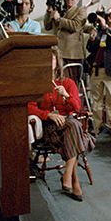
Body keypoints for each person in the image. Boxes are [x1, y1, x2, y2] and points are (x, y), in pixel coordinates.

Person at [28, 46, 95, 202]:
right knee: (76, 129)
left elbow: (76, 107)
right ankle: (73, 181)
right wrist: (48, 114)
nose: (48, 62)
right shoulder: (37, 83)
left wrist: (66, 95)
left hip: (67, 125)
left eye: (51, 59)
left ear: (56, 62)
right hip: (50, 127)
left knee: (73, 125)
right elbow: (29, 106)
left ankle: (68, 176)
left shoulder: (68, 82)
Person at [86, 6, 111, 133]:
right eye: (109, 14)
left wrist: (106, 28)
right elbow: (90, 48)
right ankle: (97, 126)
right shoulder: (99, 30)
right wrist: (93, 37)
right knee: (96, 101)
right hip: (96, 69)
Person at [44, 0, 87, 80]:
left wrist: (59, 19)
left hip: (71, 54)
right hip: (56, 52)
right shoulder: (59, 10)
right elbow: (47, 26)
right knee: (56, 79)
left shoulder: (80, 11)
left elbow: (75, 26)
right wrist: (49, 10)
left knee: (69, 82)